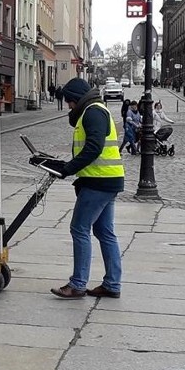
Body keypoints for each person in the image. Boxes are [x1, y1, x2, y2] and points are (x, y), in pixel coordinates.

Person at [38, 78, 125, 299]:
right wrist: (66, 165)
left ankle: (77, 284)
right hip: (107, 179)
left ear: (76, 99)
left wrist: (68, 169)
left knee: (79, 228)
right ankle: (112, 284)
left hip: (98, 182)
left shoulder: (93, 112)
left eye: (69, 101)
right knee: (105, 232)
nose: (68, 106)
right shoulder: (95, 110)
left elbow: (94, 148)